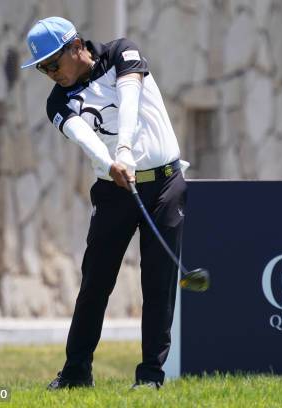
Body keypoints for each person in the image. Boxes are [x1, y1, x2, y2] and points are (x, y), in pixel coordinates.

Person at [20, 16, 186, 390]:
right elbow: (82, 136)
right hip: (114, 190)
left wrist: (124, 149)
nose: (50, 73)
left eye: (53, 63)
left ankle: (150, 378)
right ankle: (77, 373)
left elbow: (129, 100)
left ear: (76, 46)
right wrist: (111, 162)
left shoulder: (121, 53)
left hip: (164, 184)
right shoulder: (58, 101)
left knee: (158, 282)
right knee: (96, 280)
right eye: (42, 68)